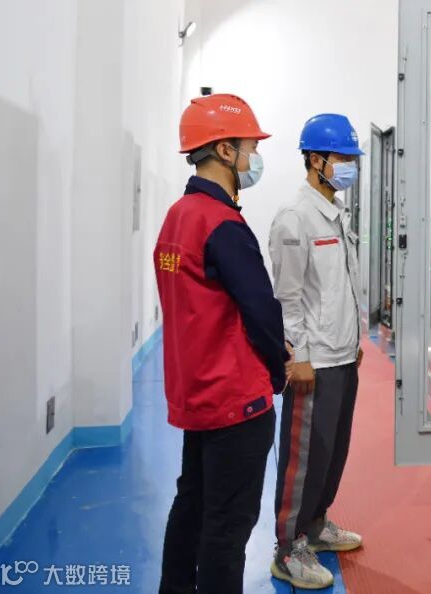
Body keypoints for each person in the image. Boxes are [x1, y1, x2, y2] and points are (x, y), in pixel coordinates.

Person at [155, 94, 292, 594]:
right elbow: (261, 309)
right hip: (236, 400)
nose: (255, 158)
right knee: (227, 529)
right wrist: (277, 368)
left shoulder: (178, 216)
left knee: (191, 506)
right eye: (251, 147)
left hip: (197, 394)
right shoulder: (223, 225)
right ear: (225, 150)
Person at [268, 113, 367, 589]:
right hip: (315, 363)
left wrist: (355, 339)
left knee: (332, 451)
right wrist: (299, 356)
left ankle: (316, 524)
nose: (350, 166)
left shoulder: (336, 212)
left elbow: (342, 286)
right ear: (315, 160)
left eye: (352, 158)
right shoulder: (295, 217)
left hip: (342, 355)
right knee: (303, 459)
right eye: (343, 158)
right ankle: (288, 548)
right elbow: (288, 297)